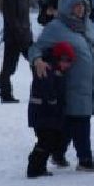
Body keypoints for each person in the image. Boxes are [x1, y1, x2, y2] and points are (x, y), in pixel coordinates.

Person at [29, 0, 94, 171]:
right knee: (81, 120)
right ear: (66, 8)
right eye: (76, 6)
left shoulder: (89, 26)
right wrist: (37, 60)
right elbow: (36, 48)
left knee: (70, 122)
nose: (80, 10)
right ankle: (85, 159)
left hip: (90, 84)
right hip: (69, 85)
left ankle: (58, 153)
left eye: (83, 6)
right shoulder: (56, 27)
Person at [26, 42, 73, 178]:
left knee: (49, 140)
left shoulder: (58, 71)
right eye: (66, 61)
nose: (67, 65)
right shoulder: (47, 68)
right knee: (45, 140)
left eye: (69, 62)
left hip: (50, 114)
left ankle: (40, 166)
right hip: (43, 113)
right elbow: (47, 88)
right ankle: (34, 167)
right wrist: (52, 101)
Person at [0, 0, 32, 103]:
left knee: (36, 61)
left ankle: (39, 90)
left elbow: (24, 16)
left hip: (24, 35)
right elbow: (11, 17)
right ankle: (5, 93)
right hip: (14, 37)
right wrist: (19, 33)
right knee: (9, 67)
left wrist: (27, 33)